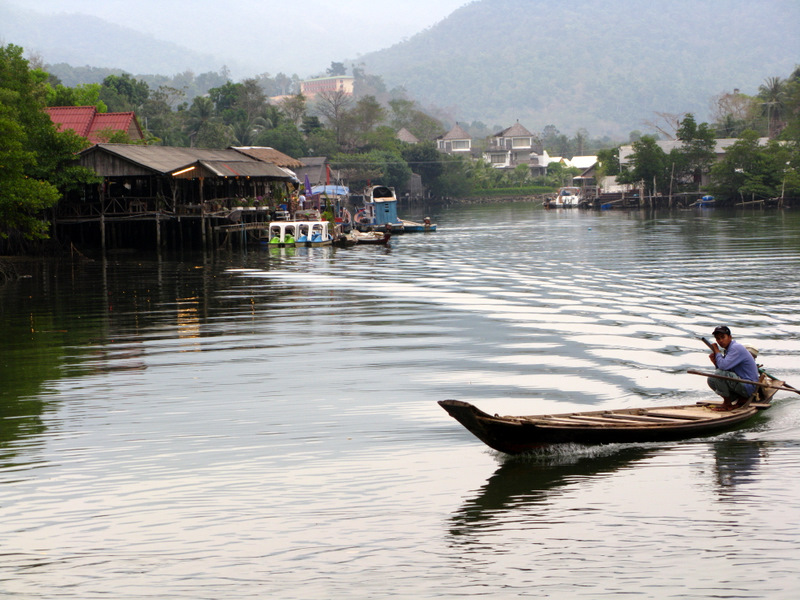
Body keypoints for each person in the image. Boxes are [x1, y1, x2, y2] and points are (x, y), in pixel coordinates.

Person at [706, 325, 760, 411]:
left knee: (719, 374)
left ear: (730, 337)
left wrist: (717, 352)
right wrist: (716, 362)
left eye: (723, 337)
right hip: (741, 385)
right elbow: (724, 369)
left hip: (748, 387)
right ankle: (737, 399)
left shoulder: (735, 347)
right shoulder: (728, 350)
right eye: (718, 339)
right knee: (711, 379)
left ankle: (727, 404)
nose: (721, 341)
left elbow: (723, 367)